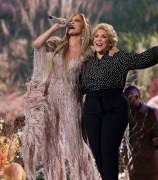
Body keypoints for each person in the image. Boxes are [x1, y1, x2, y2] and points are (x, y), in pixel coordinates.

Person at [80, 23, 158, 180]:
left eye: (103, 37)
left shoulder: (120, 58)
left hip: (114, 106)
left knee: (108, 153)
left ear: (110, 41)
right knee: (97, 154)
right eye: (96, 36)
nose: (99, 39)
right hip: (92, 107)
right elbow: (79, 84)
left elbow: (143, 59)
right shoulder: (86, 61)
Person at [20, 13, 99, 180]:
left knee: (75, 140)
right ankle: (55, 177)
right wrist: (56, 26)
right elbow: (37, 44)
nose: (72, 22)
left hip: (71, 97)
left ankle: (87, 176)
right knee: (51, 141)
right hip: (50, 95)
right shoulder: (58, 44)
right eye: (71, 19)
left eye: (77, 20)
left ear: (84, 27)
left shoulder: (89, 51)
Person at [123, 86, 158, 180]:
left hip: (150, 168)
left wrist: (153, 153)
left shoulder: (151, 112)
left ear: (137, 97)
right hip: (134, 168)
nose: (126, 101)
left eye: (129, 98)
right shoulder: (126, 115)